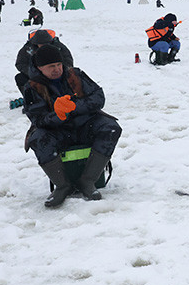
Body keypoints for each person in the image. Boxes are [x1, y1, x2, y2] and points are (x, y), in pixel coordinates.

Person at [22, 44, 121, 207]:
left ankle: (88, 181)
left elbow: (98, 98)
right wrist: (58, 115)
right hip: (57, 131)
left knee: (111, 128)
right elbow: (38, 120)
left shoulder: (75, 75)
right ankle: (62, 186)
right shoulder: (32, 87)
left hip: (85, 125)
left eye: (59, 65)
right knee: (38, 139)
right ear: (40, 68)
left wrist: (75, 107)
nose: (57, 69)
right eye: (51, 66)